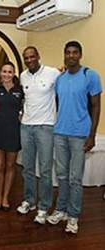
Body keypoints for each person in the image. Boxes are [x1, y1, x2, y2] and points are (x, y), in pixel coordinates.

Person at [47, 41, 102, 234]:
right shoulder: (60, 79)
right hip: (60, 133)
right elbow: (57, 103)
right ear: (64, 55)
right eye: (68, 52)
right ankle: (61, 210)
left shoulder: (90, 75)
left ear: (80, 55)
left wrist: (92, 134)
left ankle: (73, 216)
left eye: (74, 52)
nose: (71, 56)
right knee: (61, 176)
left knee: (75, 178)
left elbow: (96, 106)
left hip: (80, 135)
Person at [16, 46, 60, 224]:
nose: (29, 60)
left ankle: (44, 207)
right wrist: (21, 113)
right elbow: (25, 98)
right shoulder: (23, 76)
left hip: (45, 127)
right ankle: (30, 200)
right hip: (26, 127)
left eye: (32, 56)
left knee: (45, 169)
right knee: (27, 168)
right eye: (26, 58)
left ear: (38, 56)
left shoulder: (53, 73)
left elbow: (63, 92)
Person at [0, 62, 24, 212]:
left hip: (14, 131)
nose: (7, 74)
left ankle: (6, 197)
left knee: (10, 165)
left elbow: (26, 107)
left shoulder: (20, 90)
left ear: (14, 73)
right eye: (4, 71)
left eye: (10, 72)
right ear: (0, 73)